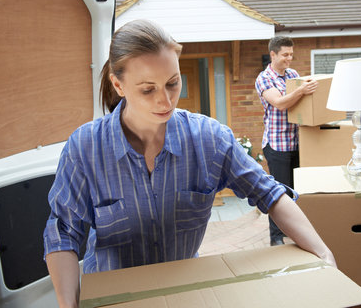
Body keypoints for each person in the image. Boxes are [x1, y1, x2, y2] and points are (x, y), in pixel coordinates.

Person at [43, 20, 335, 308]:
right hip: (114, 298)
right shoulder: (85, 148)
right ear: (118, 85)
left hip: (186, 294)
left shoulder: (209, 139)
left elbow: (269, 194)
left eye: (173, 83)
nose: (166, 100)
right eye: (148, 89)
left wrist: (324, 253)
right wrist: (68, 304)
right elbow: (63, 232)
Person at [255, 37, 319, 246]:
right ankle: (276, 238)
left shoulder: (292, 75)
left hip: (296, 143)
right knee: (280, 194)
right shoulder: (265, 78)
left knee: (297, 192)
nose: (289, 59)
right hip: (277, 145)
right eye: (285, 55)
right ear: (273, 54)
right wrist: (301, 90)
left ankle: (296, 234)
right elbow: (280, 103)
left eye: (291, 54)